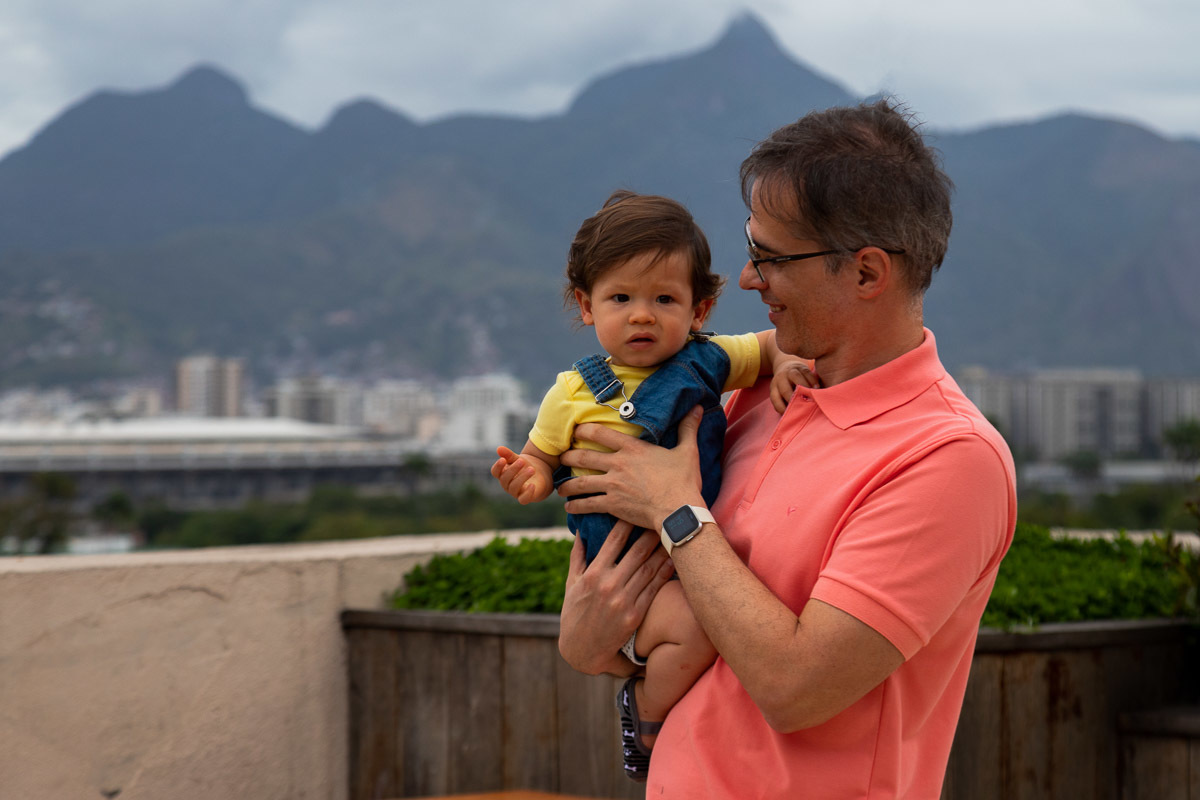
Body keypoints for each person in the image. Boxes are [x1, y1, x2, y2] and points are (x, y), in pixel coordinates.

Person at [553, 99, 1018, 798]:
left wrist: (678, 510)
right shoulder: (747, 398)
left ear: (867, 273)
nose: (745, 279)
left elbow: (795, 689)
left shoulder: (948, 458)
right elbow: (597, 616)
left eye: (770, 258)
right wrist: (597, 643)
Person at [491, 189, 813, 782]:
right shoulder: (571, 393)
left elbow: (771, 344)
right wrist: (528, 478)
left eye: (664, 298)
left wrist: (787, 364)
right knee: (693, 631)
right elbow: (540, 457)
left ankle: (645, 708)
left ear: (700, 311)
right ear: (587, 307)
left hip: (684, 562)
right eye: (622, 298)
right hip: (620, 572)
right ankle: (649, 717)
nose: (642, 314)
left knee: (703, 629)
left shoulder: (708, 360)